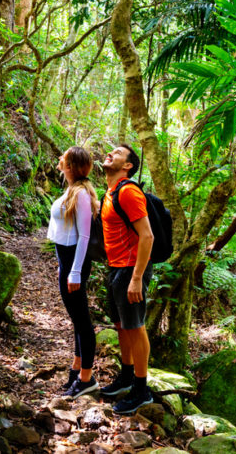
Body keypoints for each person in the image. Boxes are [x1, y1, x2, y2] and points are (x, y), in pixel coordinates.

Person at [98, 144, 156, 414]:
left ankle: (141, 390)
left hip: (132, 269)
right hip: (116, 268)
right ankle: (126, 376)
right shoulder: (109, 192)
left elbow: (147, 236)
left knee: (135, 326)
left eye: (117, 153)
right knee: (122, 325)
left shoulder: (129, 191)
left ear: (128, 165)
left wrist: (136, 278)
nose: (110, 153)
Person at [47, 146, 101, 397]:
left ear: (71, 165)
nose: (60, 158)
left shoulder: (80, 194)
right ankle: (76, 369)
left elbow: (84, 235)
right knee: (77, 320)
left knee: (82, 321)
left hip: (73, 261)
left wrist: (75, 271)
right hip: (66, 259)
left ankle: (86, 378)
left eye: (64, 157)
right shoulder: (72, 189)